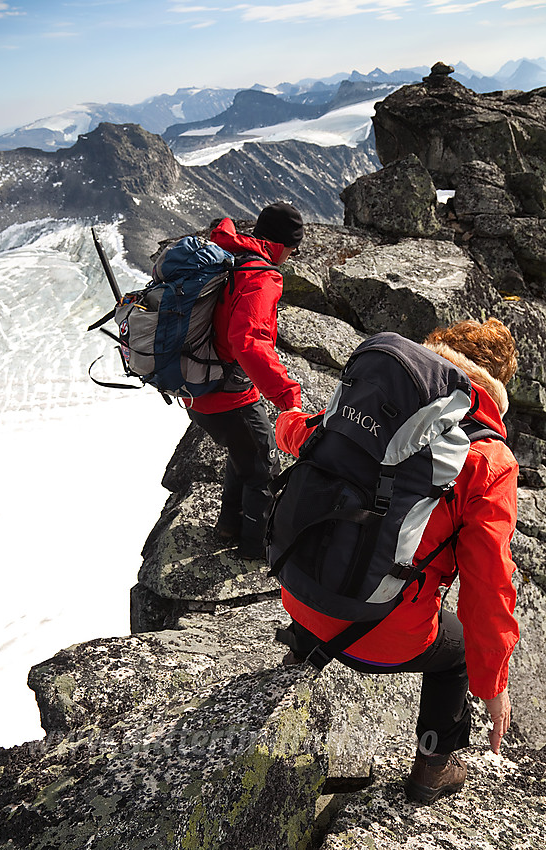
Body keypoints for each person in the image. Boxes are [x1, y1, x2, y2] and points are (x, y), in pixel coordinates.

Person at [274, 318, 520, 804]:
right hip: (382, 638)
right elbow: (488, 585)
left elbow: (299, 438)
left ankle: (302, 650)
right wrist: (493, 683)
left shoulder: (377, 404)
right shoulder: (488, 460)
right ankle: (434, 766)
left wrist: (287, 414)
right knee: (456, 652)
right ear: (496, 387)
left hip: (298, 594)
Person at [186, 202, 304, 560]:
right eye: (294, 247)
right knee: (263, 466)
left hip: (196, 385)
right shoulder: (261, 277)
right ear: (283, 246)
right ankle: (254, 551)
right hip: (225, 393)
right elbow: (248, 341)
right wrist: (288, 396)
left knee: (245, 452)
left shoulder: (231, 254)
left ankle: (228, 524)